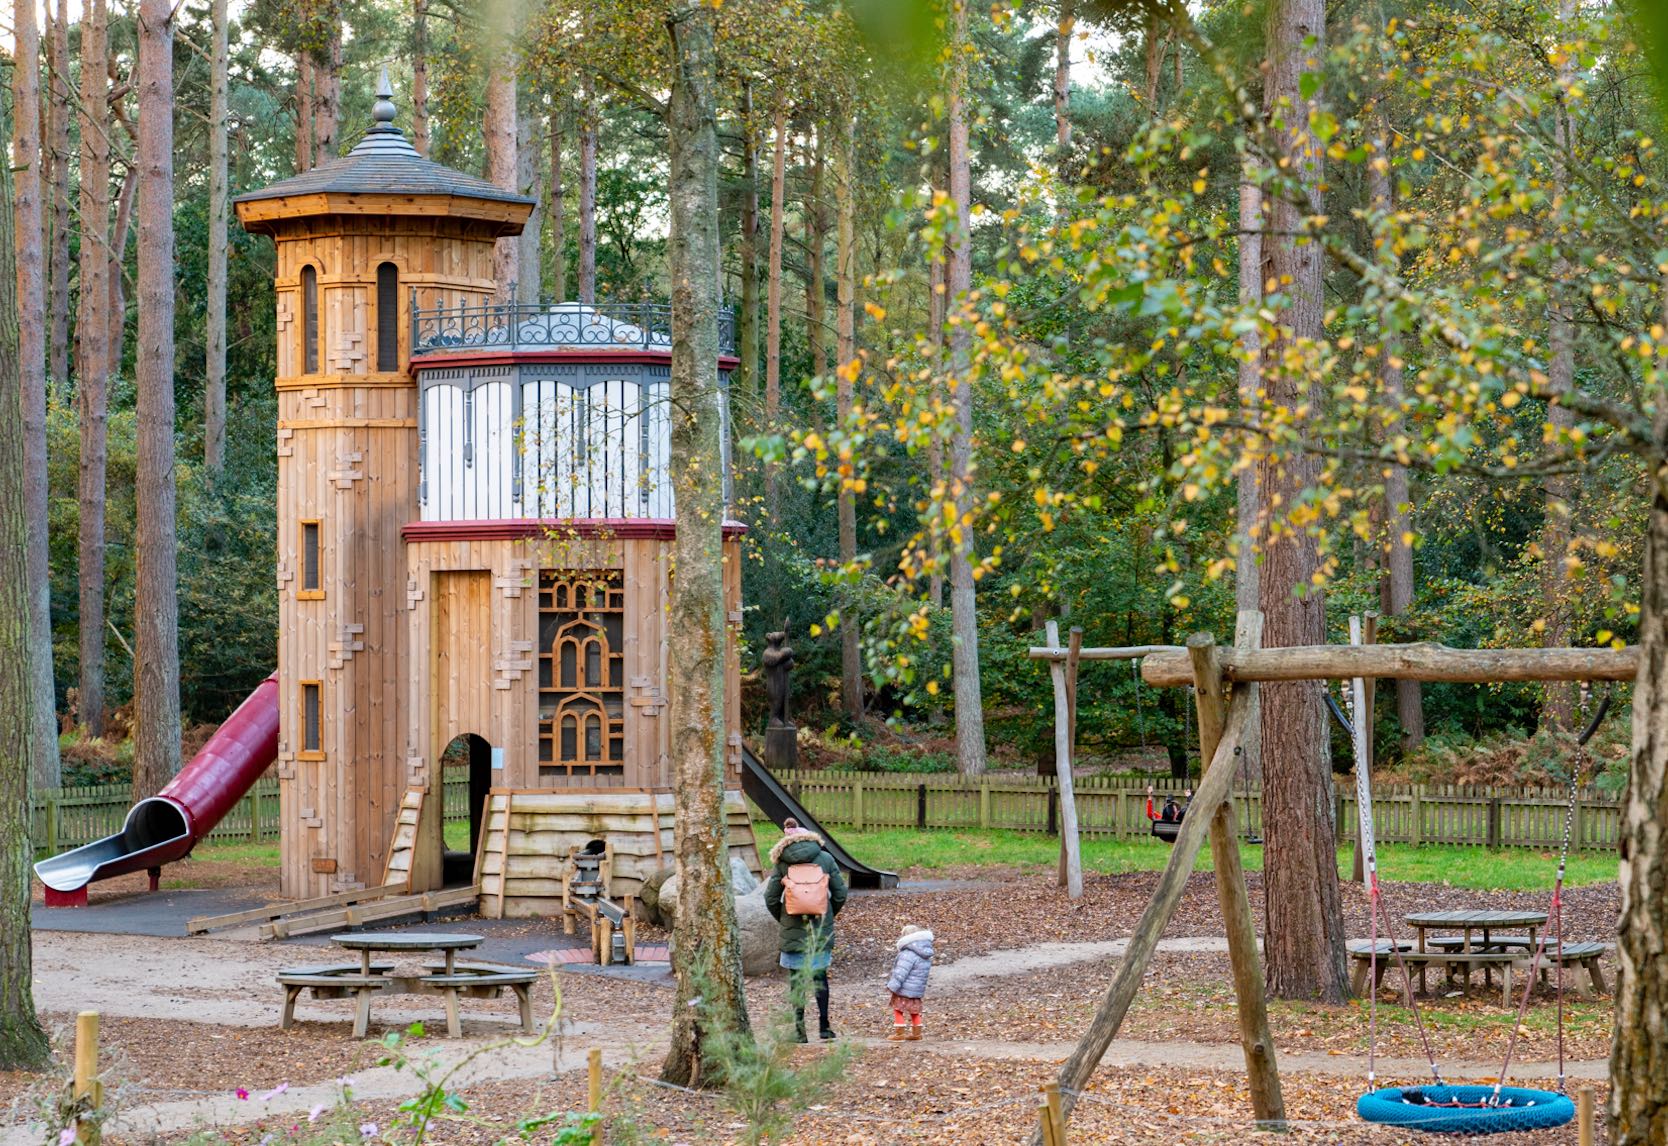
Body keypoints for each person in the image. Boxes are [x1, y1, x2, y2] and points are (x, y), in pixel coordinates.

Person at [764, 821, 849, 1042]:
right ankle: (824, 1027)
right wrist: (828, 915)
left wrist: (784, 918)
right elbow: (840, 893)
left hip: (793, 927)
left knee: (797, 980)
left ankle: (800, 1031)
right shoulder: (826, 858)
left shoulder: (782, 862)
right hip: (819, 928)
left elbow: (771, 898)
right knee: (820, 978)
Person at [885, 923, 935, 1041]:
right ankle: (917, 1033)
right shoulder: (925, 954)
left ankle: (899, 1033)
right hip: (917, 990)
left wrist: (893, 986)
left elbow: (900, 973)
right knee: (914, 1011)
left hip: (904, 990)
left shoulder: (907, 954)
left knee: (898, 1010)